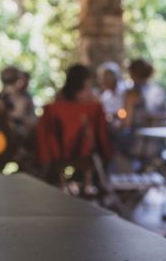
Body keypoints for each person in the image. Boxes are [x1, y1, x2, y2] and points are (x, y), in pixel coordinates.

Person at [37, 64, 112, 195]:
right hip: (85, 150)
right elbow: (101, 132)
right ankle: (91, 184)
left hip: (59, 150)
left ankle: (65, 183)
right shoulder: (91, 105)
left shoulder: (58, 102)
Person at [123, 59, 166, 128]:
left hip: (139, 132)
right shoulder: (158, 90)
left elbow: (127, 121)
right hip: (159, 130)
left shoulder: (133, 92)